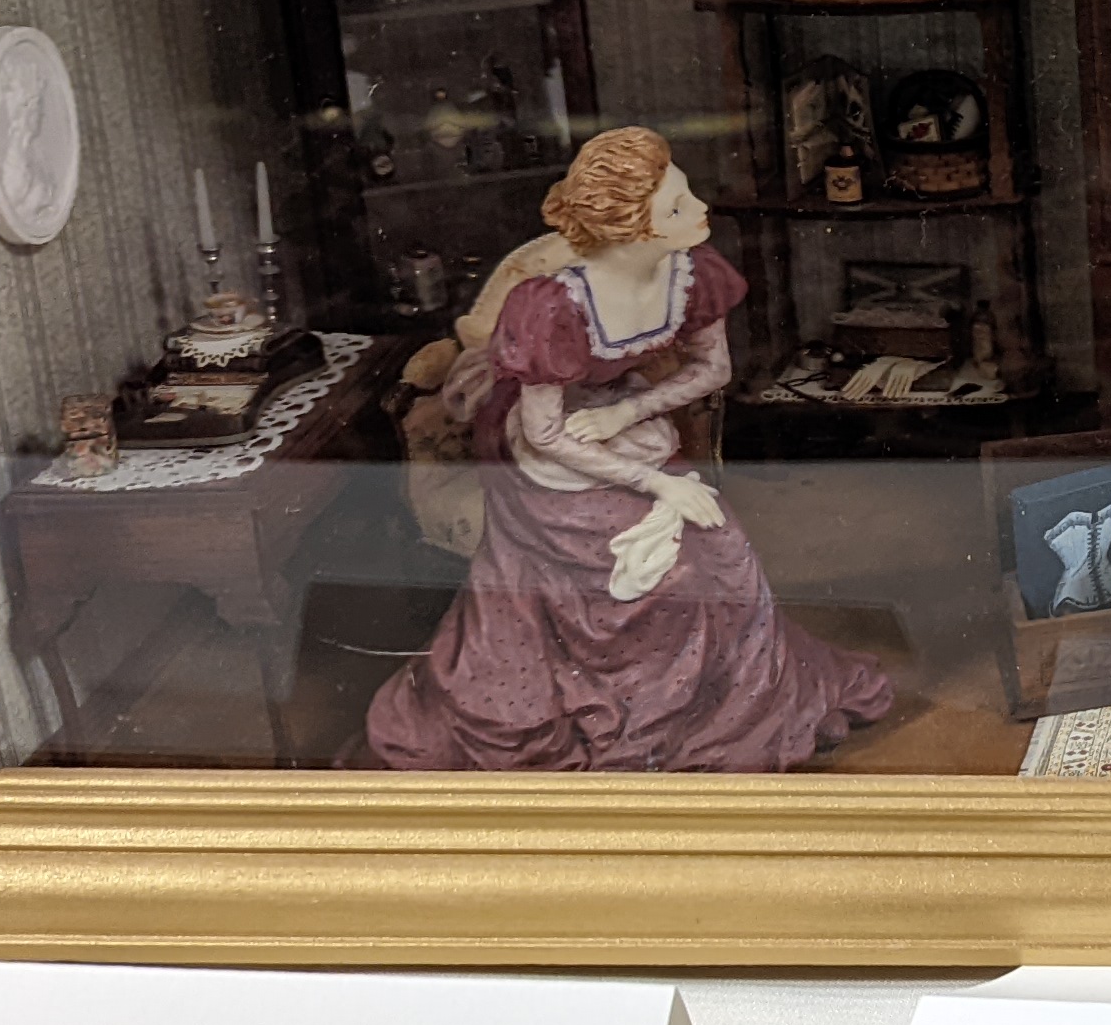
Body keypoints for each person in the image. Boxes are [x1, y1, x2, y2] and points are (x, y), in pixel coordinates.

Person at [358, 127, 892, 770]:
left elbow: (714, 369)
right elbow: (545, 434)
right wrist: (661, 484)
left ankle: (713, 718)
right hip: (543, 449)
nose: (700, 209)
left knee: (725, 550)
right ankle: (635, 721)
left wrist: (628, 411)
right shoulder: (550, 306)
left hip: (618, 419)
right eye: (677, 206)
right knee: (652, 575)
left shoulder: (693, 276)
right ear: (630, 231)